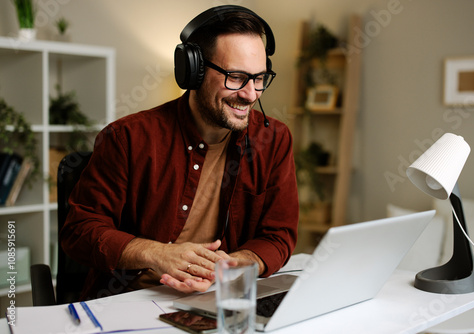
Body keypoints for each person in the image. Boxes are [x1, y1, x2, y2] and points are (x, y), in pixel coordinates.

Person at [60, 5, 298, 300]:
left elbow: (279, 235)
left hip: (221, 297)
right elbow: (79, 231)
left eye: (259, 78)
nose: (250, 94)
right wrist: (157, 253)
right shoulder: (126, 138)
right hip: (133, 301)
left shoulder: (274, 139)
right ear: (193, 71)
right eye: (236, 77)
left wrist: (233, 265)